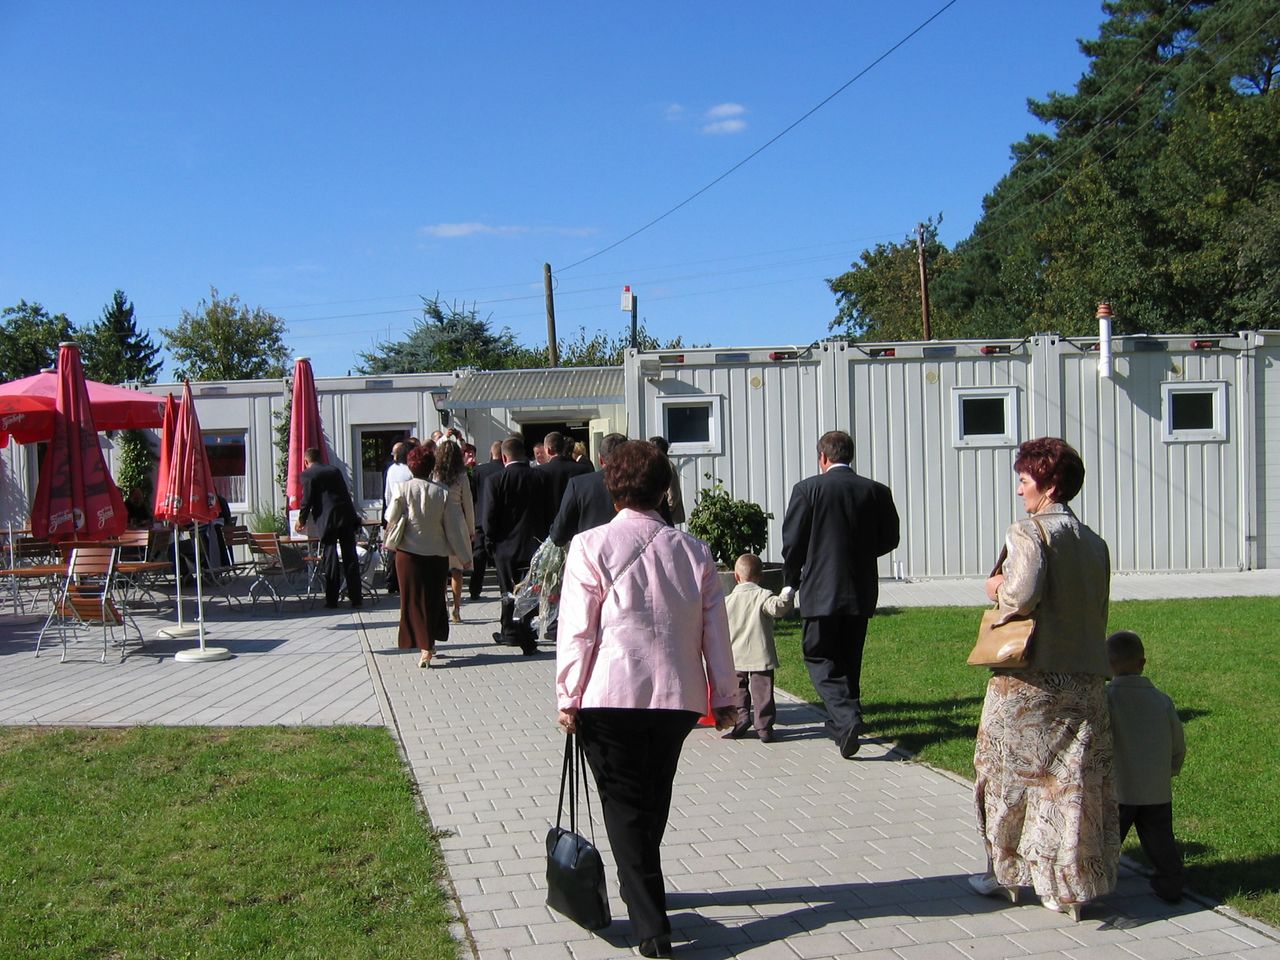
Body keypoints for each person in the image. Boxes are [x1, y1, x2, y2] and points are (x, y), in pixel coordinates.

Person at [556, 439, 737, 958]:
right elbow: (715, 632)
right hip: (678, 697)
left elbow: (577, 631)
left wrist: (568, 694)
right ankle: (642, 890)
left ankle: (651, 926)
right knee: (652, 798)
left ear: (611, 487)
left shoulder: (589, 545)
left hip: (608, 694)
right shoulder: (694, 551)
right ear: (663, 491)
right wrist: (725, 695)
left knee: (626, 805)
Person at [970, 437, 1118, 920]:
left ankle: (1007, 874)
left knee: (1005, 775)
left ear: (1049, 484)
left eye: (1024, 480)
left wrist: (995, 587)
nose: (1020, 490)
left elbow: (1022, 595)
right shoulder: (1094, 543)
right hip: (1085, 680)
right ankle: (1066, 886)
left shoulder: (1027, 532)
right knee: (1070, 783)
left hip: (1028, 681)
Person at [781, 429, 899, 759]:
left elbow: (793, 541)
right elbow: (890, 538)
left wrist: (791, 580)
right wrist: (861, 553)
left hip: (820, 589)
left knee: (818, 656)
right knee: (849, 658)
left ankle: (847, 718)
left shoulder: (807, 490)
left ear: (823, 457)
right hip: (860, 588)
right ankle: (844, 725)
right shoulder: (876, 491)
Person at [1106, 630, 1185, 903]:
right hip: (1155, 787)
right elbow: (1177, 742)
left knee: (1108, 840)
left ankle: (1098, 881)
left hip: (1119, 788)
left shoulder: (1107, 699)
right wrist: (1172, 767)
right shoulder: (1162, 700)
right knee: (1161, 841)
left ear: (1107, 665)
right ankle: (1171, 883)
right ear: (1142, 663)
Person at [384, 444, 471, 668]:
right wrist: (463, 555)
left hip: (408, 554)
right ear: (431, 466)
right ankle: (429, 643)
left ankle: (424, 646)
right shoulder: (442, 492)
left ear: (410, 466)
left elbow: (390, 516)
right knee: (434, 600)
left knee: (412, 600)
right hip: (436, 554)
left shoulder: (402, 488)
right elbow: (452, 528)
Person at [484, 436, 551, 655]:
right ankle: (528, 633)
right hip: (534, 544)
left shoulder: (495, 480)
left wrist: (489, 542)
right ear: (524, 454)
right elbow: (550, 510)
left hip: (505, 547)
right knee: (531, 591)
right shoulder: (541, 477)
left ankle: (510, 631)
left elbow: (489, 516)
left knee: (507, 591)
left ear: (504, 457)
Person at [722, 553, 794, 743]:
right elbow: (778, 608)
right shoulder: (763, 596)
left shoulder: (727, 601)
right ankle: (764, 727)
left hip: (735, 655)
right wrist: (787, 593)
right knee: (763, 690)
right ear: (761, 576)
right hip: (760, 654)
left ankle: (741, 717)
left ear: (736, 576)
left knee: (738, 688)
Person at [296, 447, 362, 608]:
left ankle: (332, 599)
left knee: (330, 557)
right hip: (345, 516)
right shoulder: (334, 470)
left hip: (327, 520)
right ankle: (356, 597)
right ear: (320, 458)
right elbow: (345, 494)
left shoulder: (308, 474)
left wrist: (301, 519)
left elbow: (307, 500)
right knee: (350, 557)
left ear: (306, 462)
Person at [548, 433, 627, 548]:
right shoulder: (643, 484)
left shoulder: (579, 485)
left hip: (591, 552)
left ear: (600, 459)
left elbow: (558, 535)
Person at [432, 438, 475, 624]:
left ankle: (442, 606)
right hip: (457, 522)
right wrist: (471, 529)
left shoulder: (434, 475)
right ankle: (456, 609)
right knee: (457, 569)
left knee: (440, 569)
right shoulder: (462, 476)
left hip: (438, 522)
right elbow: (468, 504)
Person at [469, 441, 505, 600]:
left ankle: (475, 589)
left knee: (479, 556)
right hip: (501, 520)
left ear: (491, 454)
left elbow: (472, 496)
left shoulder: (478, 471)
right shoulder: (506, 470)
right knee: (500, 557)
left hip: (480, 518)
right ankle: (503, 587)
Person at [382, 441, 413, 595]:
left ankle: (391, 580)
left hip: (393, 512)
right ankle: (404, 581)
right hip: (408, 514)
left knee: (392, 548)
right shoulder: (410, 471)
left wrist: (390, 512)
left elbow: (387, 493)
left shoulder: (392, 469)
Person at [539, 430, 592, 517]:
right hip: (577, 519)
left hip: (548, 519)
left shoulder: (538, 472)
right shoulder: (583, 469)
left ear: (548, 450)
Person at [648, 436, 685, 525]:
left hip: (665, 516)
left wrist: (664, 511)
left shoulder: (667, 466)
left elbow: (673, 494)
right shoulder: (656, 465)